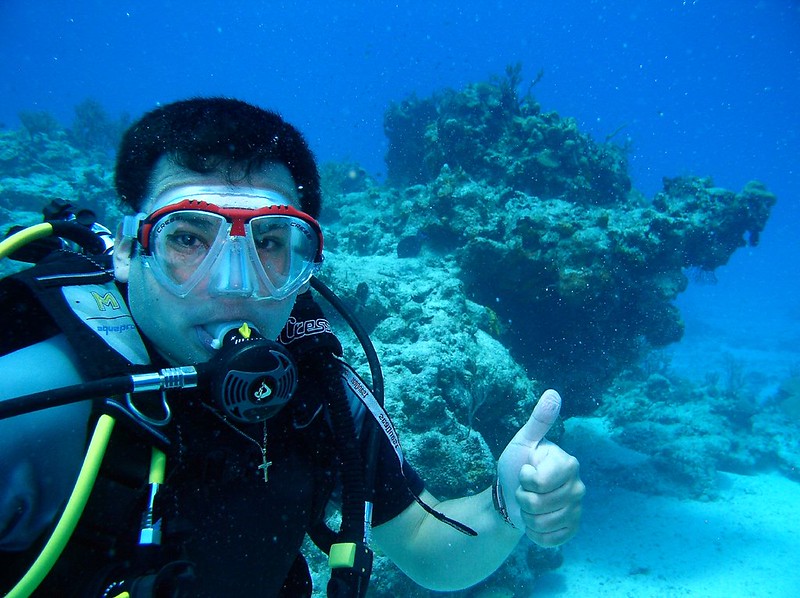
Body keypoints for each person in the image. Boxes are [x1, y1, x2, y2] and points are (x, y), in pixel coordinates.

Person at [0, 98, 584, 597]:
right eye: (187, 237)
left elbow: (429, 548)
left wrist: (509, 506)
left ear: (304, 263)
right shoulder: (38, 398)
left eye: (270, 241)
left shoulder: (318, 388)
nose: (234, 285)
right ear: (129, 249)